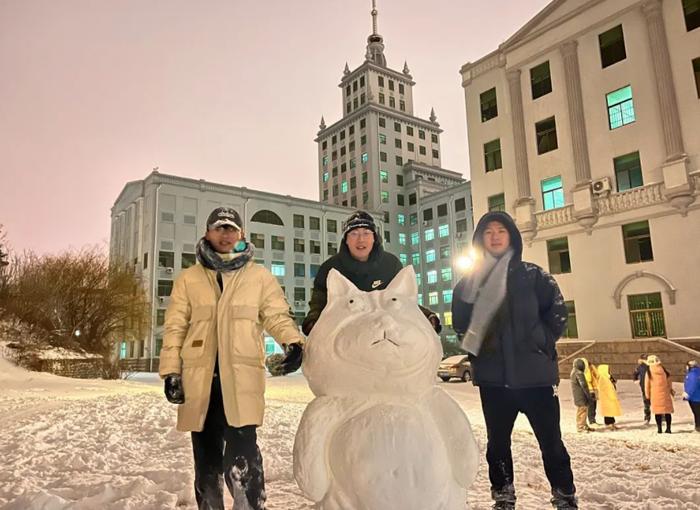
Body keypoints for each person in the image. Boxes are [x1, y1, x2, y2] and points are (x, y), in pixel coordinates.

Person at [159, 207, 304, 510]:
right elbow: (175, 327)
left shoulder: (258, 277)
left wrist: (292, 341)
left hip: (240, 380)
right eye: (219, 228)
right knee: (207, 464)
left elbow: (276, 315)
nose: (225, 235)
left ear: (241, 235)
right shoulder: (189, 278)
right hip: (201, 382)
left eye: (231, 229)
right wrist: (171, 372)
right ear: (207, 233)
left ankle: (250, 505)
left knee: (243, 457)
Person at [452, 211, 577, 510]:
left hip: (536, 378)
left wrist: (541, 342)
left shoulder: (534, 276)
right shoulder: (468, 285)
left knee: (552, 443)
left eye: (501, 231)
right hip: (494, 381)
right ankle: (503, 496)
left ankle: (564, 495)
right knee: (498, 445)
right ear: (480, 239)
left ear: (511, 237)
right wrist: (480, 351)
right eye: (488, 232)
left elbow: (558, 314)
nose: (494, 236)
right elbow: (460, 325)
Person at [302, 210, 442, 335]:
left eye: (366, 233)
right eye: (354, 234)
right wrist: (313, 321)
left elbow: (402, 301)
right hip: (348, 335)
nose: (361, 239)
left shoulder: (390, 265)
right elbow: (319, 303)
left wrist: (426, 317)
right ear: (346, 240)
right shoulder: (331, 268)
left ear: (374, 238)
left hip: (386, 333)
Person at [644, 355, 674, 434]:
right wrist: (670, 390)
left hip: (655, 394)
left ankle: (659, 429)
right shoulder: (663, 370)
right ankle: (668, 428)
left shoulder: (649, 371)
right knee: (667, 412)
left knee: (658, 412)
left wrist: (647, 395)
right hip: (665, 393)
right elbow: (669, 381)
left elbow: (647, 385)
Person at [595, 364, 621, 430]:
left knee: (611, 410)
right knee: (608, 411)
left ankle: (611, 423)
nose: (609, 371)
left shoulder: (607, 377)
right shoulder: (603, 378)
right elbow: (604, 388)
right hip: (606, 397)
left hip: (610, 396)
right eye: (608, 369)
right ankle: (609, 424)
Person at [570, 359, 593, 433]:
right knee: (582, 410)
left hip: (578, 395)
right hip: (581, 395)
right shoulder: (579, 373)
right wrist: (588, 395)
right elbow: (584, 385)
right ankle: (580, 427)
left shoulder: (574, 372)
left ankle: (584, 425)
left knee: (583, 410)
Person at [632, 353, 651, 424]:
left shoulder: (652, 366)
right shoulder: (640, 367)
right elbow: (635, 374)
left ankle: (660, 417)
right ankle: (647, 417)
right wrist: (635, 380)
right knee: (647, 403)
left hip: (651, 387)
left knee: (654, 403)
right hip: (644, 387)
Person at [682, 360, 700, 432]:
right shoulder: (697, 372)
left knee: (697, 413)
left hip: (695, 397)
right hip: (696, 396)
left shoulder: (693, 374)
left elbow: (693, 385)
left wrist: (687, 394)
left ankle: (698, 427)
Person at [581, 358, 599, 426]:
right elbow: (589, 379)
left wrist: (592, 368)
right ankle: (591, 420)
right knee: (591, 406)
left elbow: (597, 375)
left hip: (594, 389)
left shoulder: (591, 368)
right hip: (589, 390)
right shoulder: (584, 371)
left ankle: (593, 420)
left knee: (594, 406)